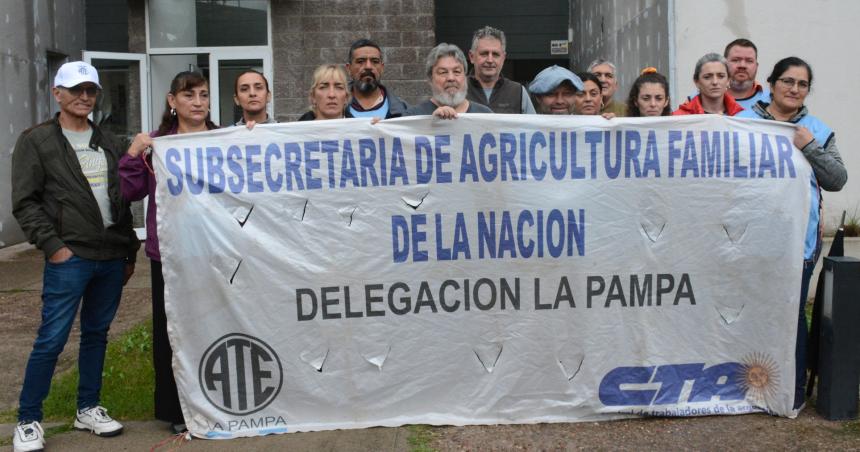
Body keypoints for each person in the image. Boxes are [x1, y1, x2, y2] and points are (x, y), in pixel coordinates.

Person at [11, 61, 138, 451]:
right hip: (70, 257)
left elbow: (125, 193)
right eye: (77, 90)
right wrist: (54, 247)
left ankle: (88, 408)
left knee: (96, 336)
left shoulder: (111, 141)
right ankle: (29, 419)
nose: (85, 97)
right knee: (51, 339)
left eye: (91, 91)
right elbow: (25, 202)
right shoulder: (37, 141)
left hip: (111, 255)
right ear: (57, 94)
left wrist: (127, 249)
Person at [736, 57, 847, 409]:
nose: (794, 89)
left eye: (802, 84)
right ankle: (745, 389)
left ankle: (790, 392)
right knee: (745, 311)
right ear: (771, 84)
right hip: (747, 239)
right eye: (788, 81)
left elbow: (837, 179)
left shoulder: (817, 130)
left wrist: (810, 147)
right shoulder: (741, 123)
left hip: (799, 242)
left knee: (791, 313)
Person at [120, 71, 218, 434]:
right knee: (172, 332)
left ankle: (223, 400)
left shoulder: (226, 139)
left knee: (218, 323)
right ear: (171, 100)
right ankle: (177, 409)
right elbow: (130, 193)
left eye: (203, 95)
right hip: (172, 255)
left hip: (218, 251)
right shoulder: (157, 146)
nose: (197, 101)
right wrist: (132, 154)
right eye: (188, 94)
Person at [404, 43, 493, 118]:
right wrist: (430, 124)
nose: (451, 78)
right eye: (443, 72)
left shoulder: (486, 115)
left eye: (457, 71)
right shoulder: (412, 117)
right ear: (430, 79)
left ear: (465, 77)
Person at [466, 26, 536, 114]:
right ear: (472, 57)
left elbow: (532, 127)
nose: (490, 60)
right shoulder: (457, 90)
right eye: (484, 54)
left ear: (503, 58)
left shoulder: (518, 92)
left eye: (495, 54)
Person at [346, 38, 409, 119]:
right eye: (360, 61)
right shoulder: (335, 108)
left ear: (382, 68)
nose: (368, 67)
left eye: (375, 61)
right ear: (348, 68)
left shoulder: (404, 110)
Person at [673, 53, 743, 116]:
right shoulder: (678, 118)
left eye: (721, 76)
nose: (715, 82)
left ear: (728, 80)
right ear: (696, 81)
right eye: (707, 77)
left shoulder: (743, 117)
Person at [724, 38, 770, 109]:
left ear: (756, 66)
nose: (742, 65)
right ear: (723, 64)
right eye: (735, 60)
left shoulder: (772, 101)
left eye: (749, 61)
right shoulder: (704, 99)